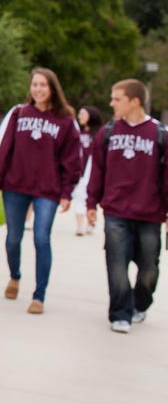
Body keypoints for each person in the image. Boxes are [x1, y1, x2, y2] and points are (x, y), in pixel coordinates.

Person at [0, 68, 82, 314]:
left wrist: (66, 191)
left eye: (43, 85)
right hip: (16, 185)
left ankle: (39, 295)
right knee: (13, 238)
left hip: (47, 189)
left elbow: (72, 160)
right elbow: (4, 148)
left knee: (41, 238)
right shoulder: (19, 114)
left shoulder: (65, 121)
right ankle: (15, 275)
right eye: (35, 84)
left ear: (52, 89)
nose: (38, 89)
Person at [86, 79, 168, 334]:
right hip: (116, 212)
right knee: (117, 264)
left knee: (149, 270)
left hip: (150, 213)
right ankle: (119, 313)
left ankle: (139, 304)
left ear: (135, 101)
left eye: (117, 99)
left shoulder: (160, 134)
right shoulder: (108, 132)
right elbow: (97, 170)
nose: (111, 104)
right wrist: (91, 202)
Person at [70, 105, 104, 235]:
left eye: (83, 113)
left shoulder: (99, 134)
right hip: (80, 170)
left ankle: (90, 222)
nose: (80, 116)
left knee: (89, 196)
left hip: (92, 171)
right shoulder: (78, 133)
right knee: (79, 195)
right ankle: (80, 226)